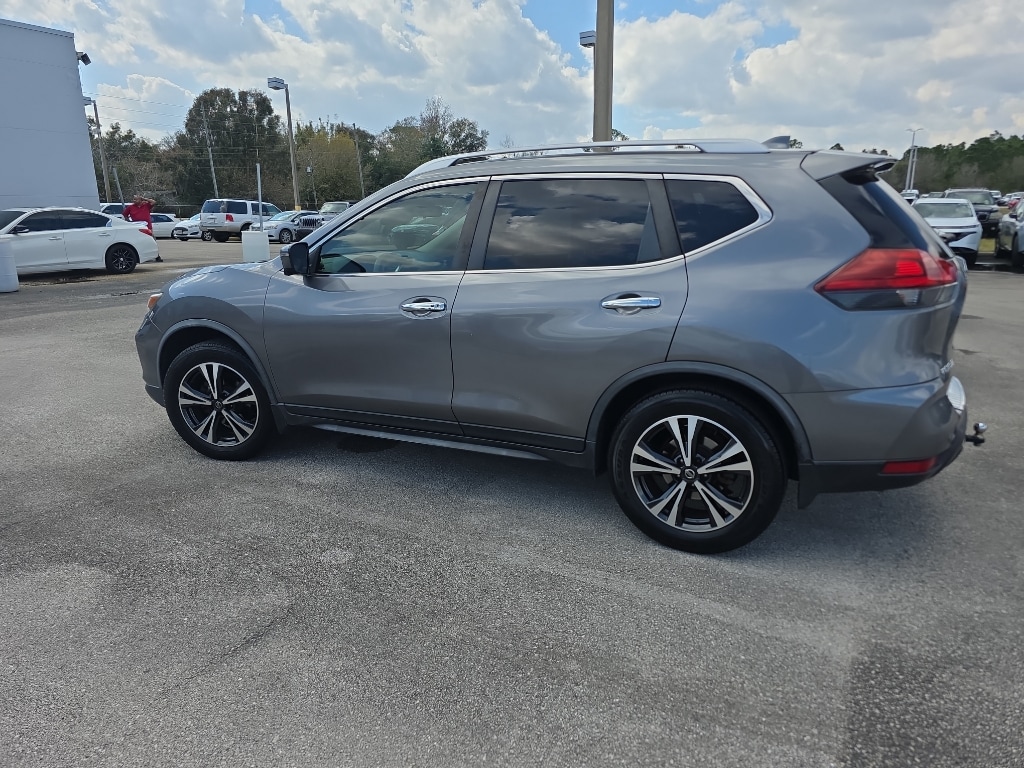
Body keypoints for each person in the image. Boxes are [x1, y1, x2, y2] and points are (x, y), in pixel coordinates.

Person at [123, 194, 162, 261]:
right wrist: (129, 221)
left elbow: (153, 202)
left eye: (136, 199)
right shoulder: (130, 207)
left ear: (141, 200)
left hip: (147, 227)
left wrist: (144, 199)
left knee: (152, 240)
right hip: (136, 227)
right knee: (138, 241)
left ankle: (156, 256)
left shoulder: (146, 205)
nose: (134, 200)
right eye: (133, 199)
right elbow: (125, 214)